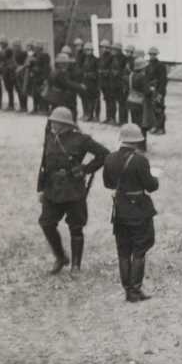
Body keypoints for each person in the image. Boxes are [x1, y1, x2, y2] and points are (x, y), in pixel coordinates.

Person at [37, 106, 109, 274]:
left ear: (66, 125)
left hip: (72, 189)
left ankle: (76, 265)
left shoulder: (81, 140)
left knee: (76, 226)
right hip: (52, 188)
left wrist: (86, 169)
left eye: (57, 123)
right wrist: (40, 188)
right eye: (52, 122)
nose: (53, 125)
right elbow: (44, 164)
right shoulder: (50, 138)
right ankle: (61, 257)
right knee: (46, 223)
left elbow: (104, 154)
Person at [102, 123, 160, 302]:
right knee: (140, 249)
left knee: (123, 251)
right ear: (137, 141)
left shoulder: (110, 158)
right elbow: (151, 186)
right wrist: (155, 176)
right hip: (138, 210)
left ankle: (128, 289)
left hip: (119, 209)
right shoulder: (140, 160)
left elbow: (108, 184)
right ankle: (135, 290)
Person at [47, 52, 87, 120]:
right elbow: (68, 84)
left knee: (53, 116)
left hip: (55, 98)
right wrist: (80, 87)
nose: (67, 65)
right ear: (61, 64)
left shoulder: (54, 72)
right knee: (71, 114)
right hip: (62, 99)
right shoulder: (61, 73)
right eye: (65, 63)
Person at [128, 55, 154, 139]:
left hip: (132, 100)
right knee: (142, 125)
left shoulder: (131, 75)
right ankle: (141, 146)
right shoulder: (142, 77)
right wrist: (152, 90)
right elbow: (147, 92)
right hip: (141, 102)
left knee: (135, 124)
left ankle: (135, 143)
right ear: (143, 67)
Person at [147, 47, 167, 134]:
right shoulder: (148, 65)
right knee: (152, 109)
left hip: (158, 90)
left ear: (156, 55)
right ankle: (154, 126)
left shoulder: (160, 65)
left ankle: (161, 128)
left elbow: (163, 80)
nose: (151, 56)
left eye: (153, 54)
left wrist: (160, 93)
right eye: (150, 54)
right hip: (150, 89)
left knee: (159, 109)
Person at [79, 43, 101, 122]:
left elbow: (98, 72)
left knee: (94, 100)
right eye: (86, 50)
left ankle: (93, 116)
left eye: (88, 50)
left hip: (93, 83)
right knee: (86, 99)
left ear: (92, 50)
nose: (87, 51)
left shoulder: (96, 60)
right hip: (86, 82)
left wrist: (97, 82)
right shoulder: (84, 59)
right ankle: (86, 114)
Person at [0, 37, 17, 111]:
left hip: (9, 71)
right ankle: (10, 104)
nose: (1, 45)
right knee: (8, 88)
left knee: (10, 88)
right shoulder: (3, 50)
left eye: (3, 43)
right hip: (5, 70)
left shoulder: (8, 50)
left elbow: (8, 60)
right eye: (1, 43)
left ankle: (11, 105)